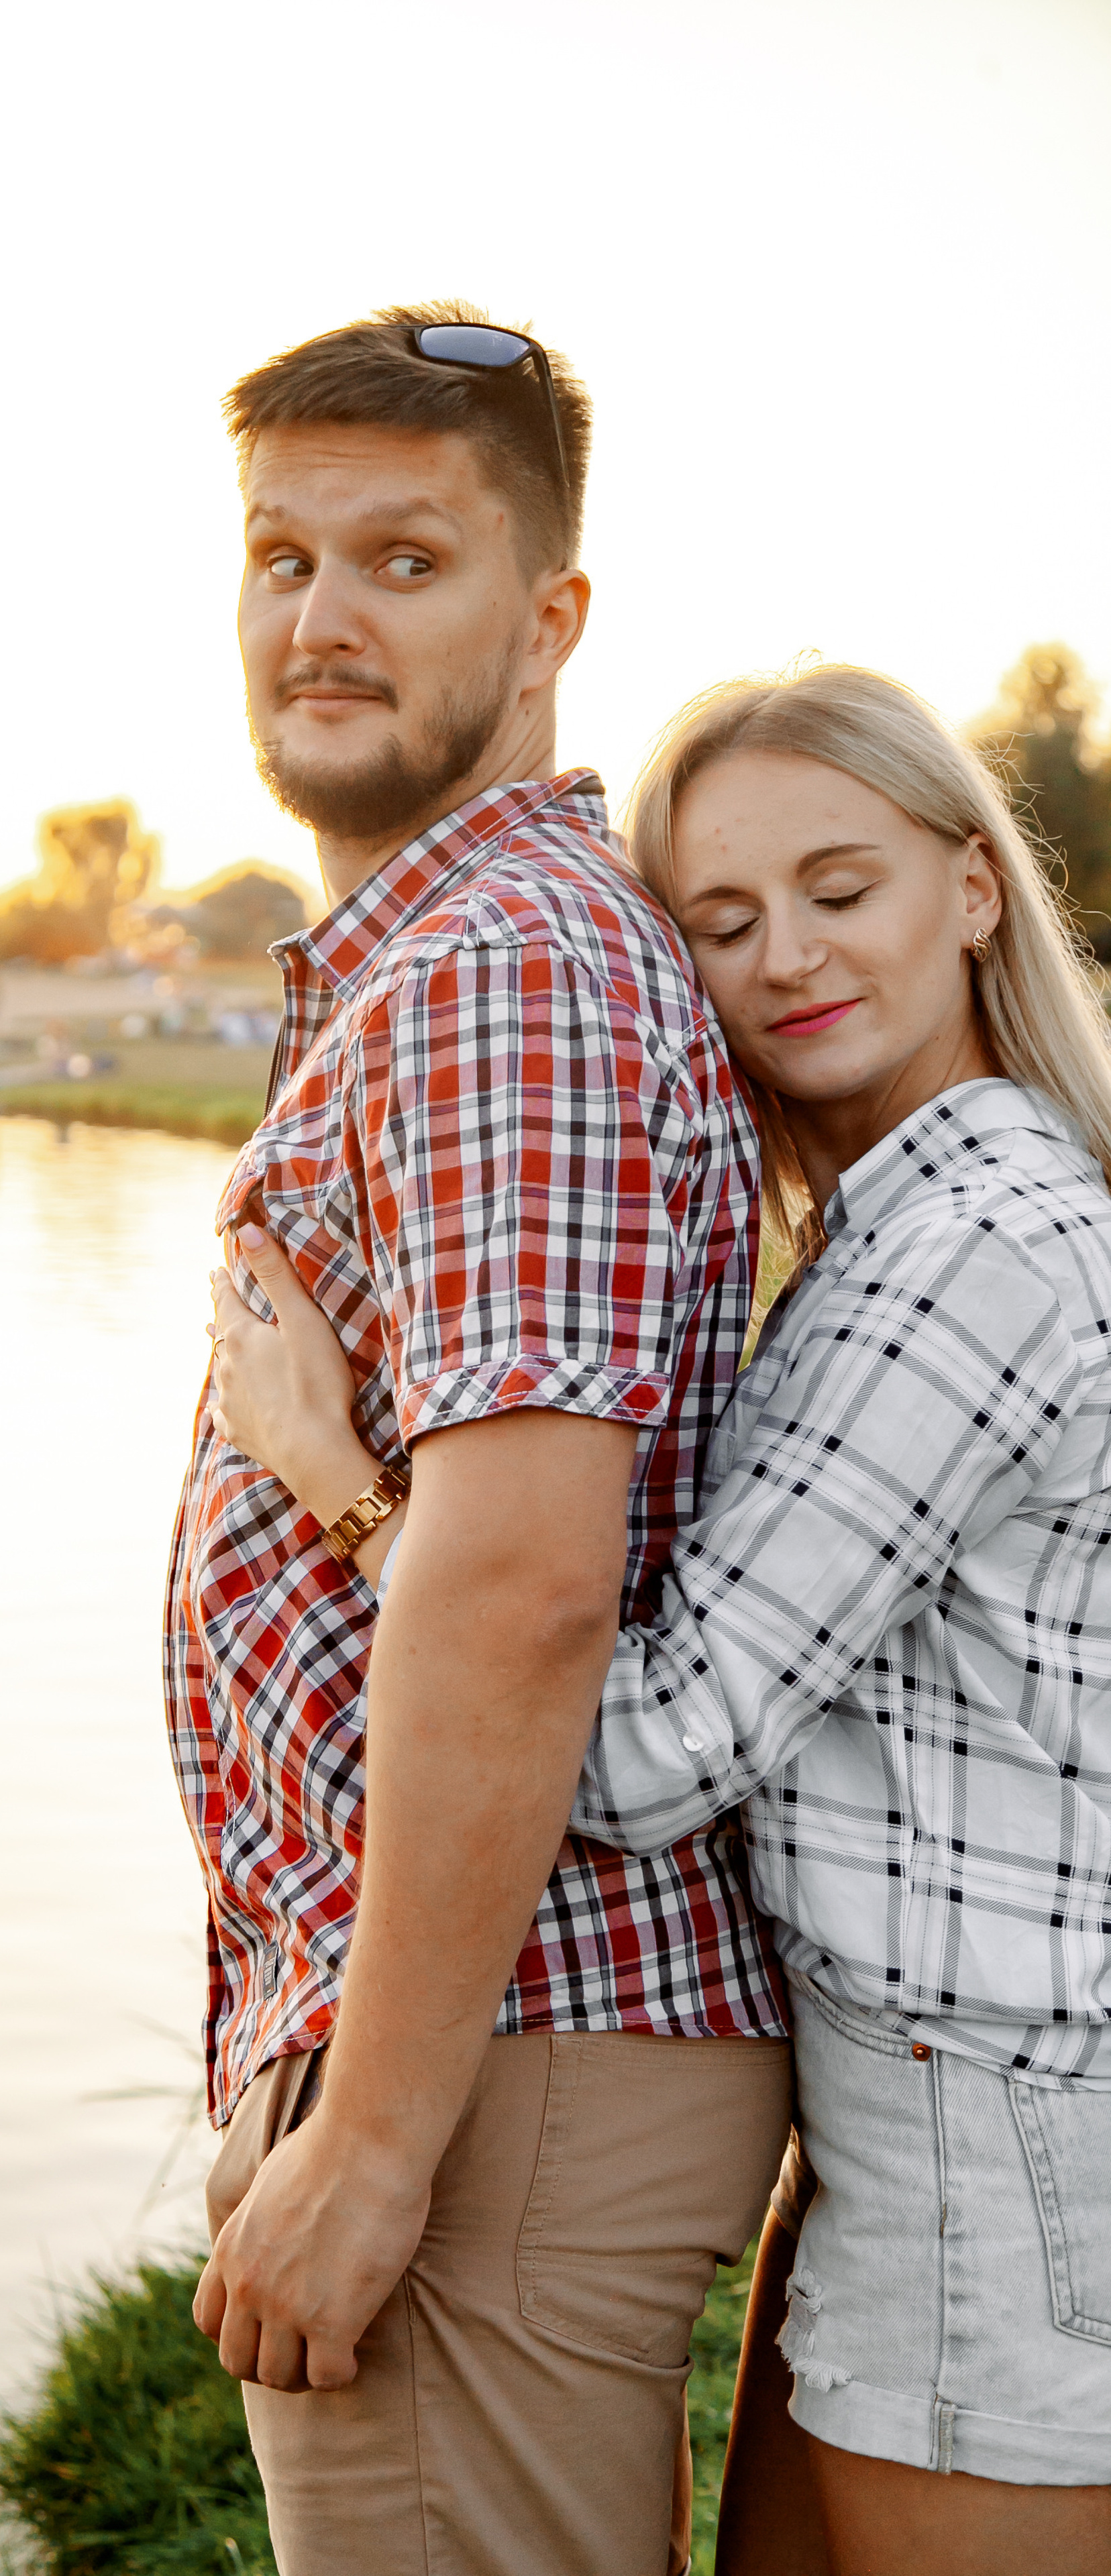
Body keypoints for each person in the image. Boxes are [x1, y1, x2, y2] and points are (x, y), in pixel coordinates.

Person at [210, 663, 1111, 2576]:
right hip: (932, 2131)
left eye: (838, 888)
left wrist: (347, 1477)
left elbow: (632, 1747)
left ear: (970, 887)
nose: (784, 957)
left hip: (1000, 2163)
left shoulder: (974, 1245)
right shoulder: (913, 1221)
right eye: (721, 920)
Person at [164, 302, 792, 2576]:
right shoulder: (440, 955)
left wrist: (374, 2143)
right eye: (278, 555)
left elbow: (526, 1580)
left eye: (404, 561)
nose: (319, 617)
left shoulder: (501, 966)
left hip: (496, 2066)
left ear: (550, 624)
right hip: (483, 2055)